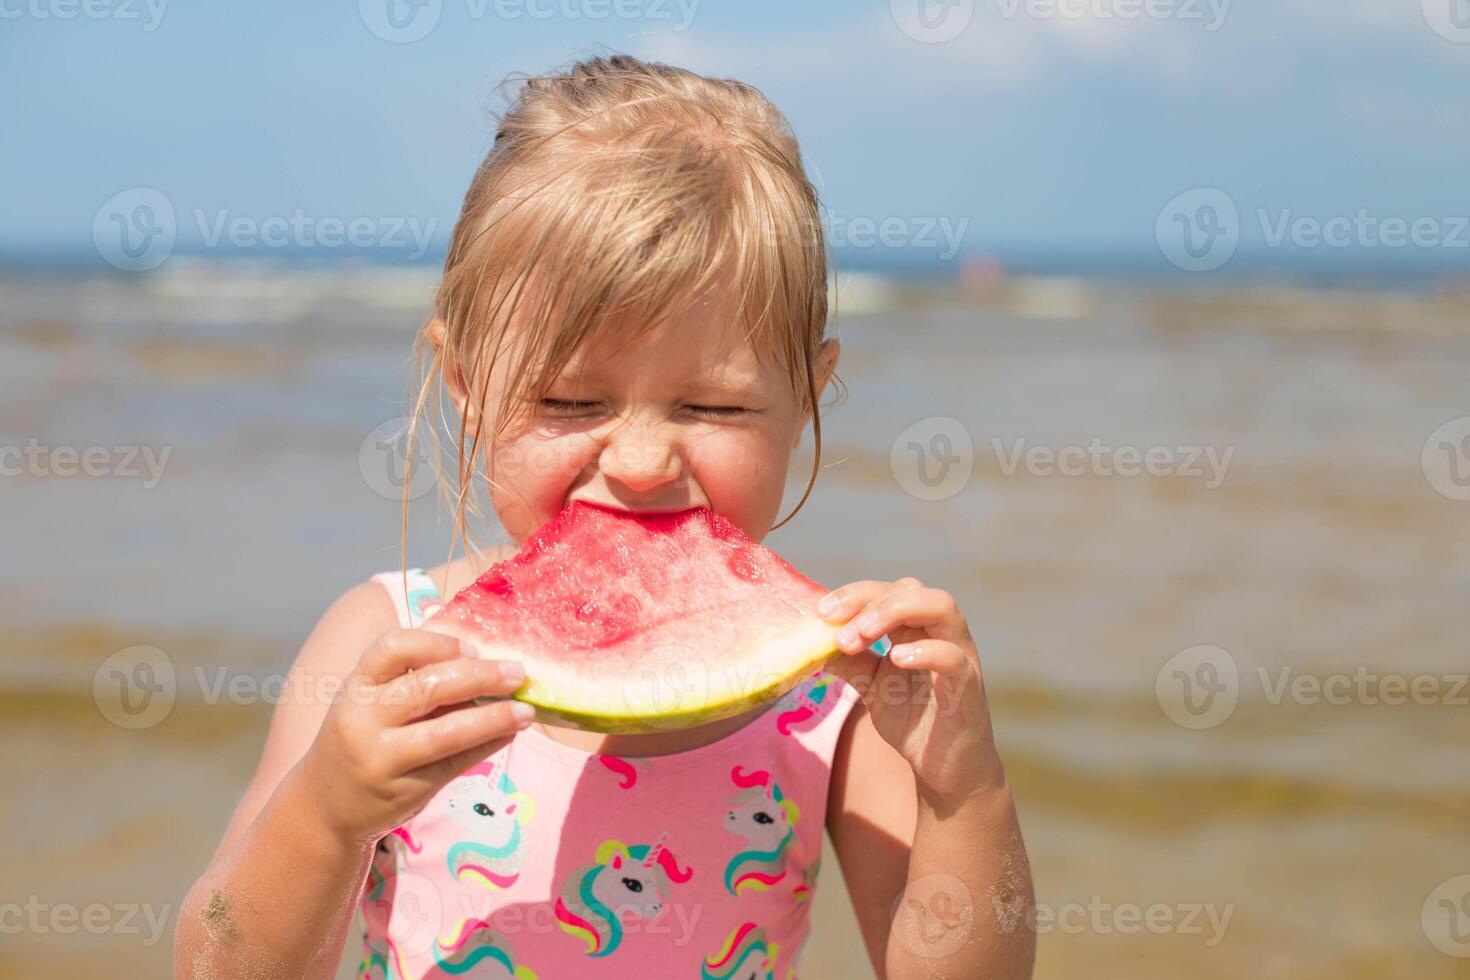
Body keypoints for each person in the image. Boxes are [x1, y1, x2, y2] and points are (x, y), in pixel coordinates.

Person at [176, 53, 1033, 980]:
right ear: (465, 387)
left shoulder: (831, 697)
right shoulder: (389, 642)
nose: (639, 464)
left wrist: (965, 791)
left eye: (714, 408)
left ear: (809, 398)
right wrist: (327, 812)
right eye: (572, 404)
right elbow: (218, 965)